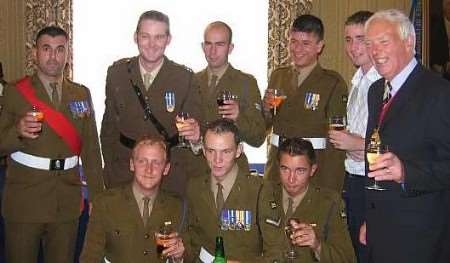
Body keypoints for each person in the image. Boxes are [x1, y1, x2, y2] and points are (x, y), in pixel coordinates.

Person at [0, 26, 103, 263]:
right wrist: (17, 131)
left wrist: (98, 196)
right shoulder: (15, 92)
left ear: (67, 54)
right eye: (46, 49)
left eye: (60, 49)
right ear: (35, 53)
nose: (53, 56)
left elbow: (91, 150)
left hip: (65, 201)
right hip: (26, 200)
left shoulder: (80, 94)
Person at [361, 9, 450, 262]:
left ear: (409, 42)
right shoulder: (376, 91)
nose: (375, 51)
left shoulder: (439, 93)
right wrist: (371, 219)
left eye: (383, 42)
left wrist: (406, 172)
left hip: (421, 237)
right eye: (369, 44)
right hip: (381, 229)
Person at [100, 10, 204, 196]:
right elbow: (109, 129)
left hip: (168, 176)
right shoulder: (117, 73)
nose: (151, 44)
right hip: (124, 172)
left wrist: (196, 138)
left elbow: (195, 134)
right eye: (145, 36)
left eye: (159, 37)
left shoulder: (185, 78)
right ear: (135, 37)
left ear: (168, 39)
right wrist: (111, 167)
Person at [263, 14, 348, 192]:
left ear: (319, 46)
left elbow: (337, 142)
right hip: (278, 170)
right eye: (293, 41)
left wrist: (331, 188)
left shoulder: (332, 83)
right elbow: (266, 124)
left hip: (313, 174)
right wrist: (266, 108)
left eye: (305, 43)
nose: (297, 49)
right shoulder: (278, 76)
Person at [80, 135, 186, 262]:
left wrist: (179, 257)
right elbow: (90, 257)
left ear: (166, 168)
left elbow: (186, 255)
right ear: (132, 164)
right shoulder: (105, 204)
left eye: (156, 162)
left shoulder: (177, 206)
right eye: (142, 161)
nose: (149, 169)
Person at [328, 10, 380, 263]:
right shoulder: (358, 80)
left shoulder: (384, 82)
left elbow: (397, 143)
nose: (353, 47)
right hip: (352, 179)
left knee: (368, 250)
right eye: (348, 39)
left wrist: (357, 143)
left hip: (374, 183)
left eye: (360, 38)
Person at [259, 138, 355, 262]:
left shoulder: (329, 203)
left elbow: (347, 259)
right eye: (285, 169)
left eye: (300, 171)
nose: (291, 179)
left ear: (312, 170)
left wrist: (317, 246)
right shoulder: (263, 196)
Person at [186, 119, 263, 262]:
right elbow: (192, 239)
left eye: (226, 152)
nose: (217, 160)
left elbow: (276, 248)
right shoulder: (194, 187)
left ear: (238, 150)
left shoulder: (259, 191)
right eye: (211, 151)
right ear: (203, 150)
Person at [196, 21, 265, 172]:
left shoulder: (246, 83)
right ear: (202, 47)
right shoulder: (191, 81)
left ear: (230, 48)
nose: (213, 51)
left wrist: (238, 117)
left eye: (220, 44)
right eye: (208, 44)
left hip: (233, 172)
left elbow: (259, 138)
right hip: (196, 171)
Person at [430, 0, 450, 80]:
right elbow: (431, 53)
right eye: (449, 4)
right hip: (440, 73)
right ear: (443, 6)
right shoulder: (433, 25)